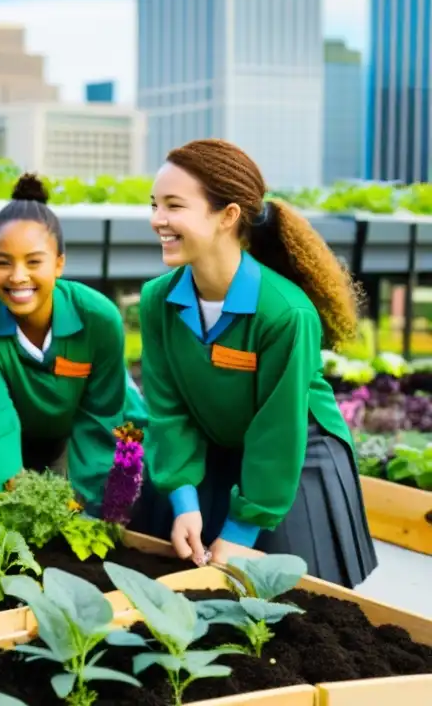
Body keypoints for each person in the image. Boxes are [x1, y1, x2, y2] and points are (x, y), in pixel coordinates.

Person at [137, 138, 377, 587]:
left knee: (290, 605)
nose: (157, 220)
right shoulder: (157, 301)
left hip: (295, 456)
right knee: (167, 573)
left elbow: (277, 430)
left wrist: (242, 529)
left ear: (228, 216)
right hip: (212, 442)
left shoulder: (286, 313)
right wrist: (184, 499)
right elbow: (168, 410)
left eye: (173, 206)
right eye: (154, 205)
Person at [0, 173, 153, 514]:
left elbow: (102, 417)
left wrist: (84, 503)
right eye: (2, 262)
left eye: (34, 262)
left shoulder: (98, 317)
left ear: (59, 264)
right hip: (27, 431)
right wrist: (15, 495)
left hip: (111, 428)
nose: (18, 276)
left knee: (114, 515)